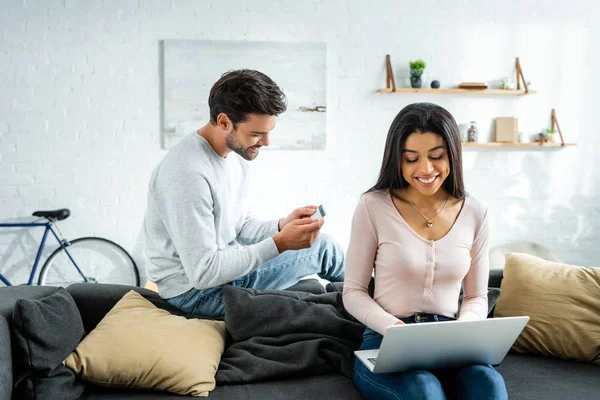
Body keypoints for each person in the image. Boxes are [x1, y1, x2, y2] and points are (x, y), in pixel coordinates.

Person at [143, 69, 345, 319]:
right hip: (193, 292)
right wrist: (280, 243)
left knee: (325, 250)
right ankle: (376, 305)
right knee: (325, 250)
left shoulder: (234, 156)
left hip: (221, 274)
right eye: (257, 134)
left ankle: (363, 304)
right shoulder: (186, 173)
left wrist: (282, 225)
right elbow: (204, 273)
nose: (266, 142)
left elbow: (240, 226)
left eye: (269, 131)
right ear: (224, 121)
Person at [342, 103, 507, 400]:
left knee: (488, 384)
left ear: (452, 156)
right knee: (424, 390)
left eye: (436, 156)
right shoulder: (373, 206)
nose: (426, 169)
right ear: (397, 159)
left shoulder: (476, 213)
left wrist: (464, 330)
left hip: (450, 339)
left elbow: (476, 297)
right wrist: (393, 328)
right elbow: (353, 291)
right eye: (411, 159)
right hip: (386, 339)